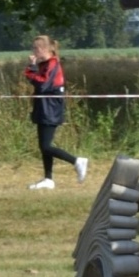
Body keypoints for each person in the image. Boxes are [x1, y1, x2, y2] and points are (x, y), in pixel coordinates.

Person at [23, 35, 86, 190]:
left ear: (43, 49)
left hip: (50, 109)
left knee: (46, 146)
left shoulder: (52, 64)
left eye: (35, 48)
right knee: (43, 146)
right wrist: (34, 69)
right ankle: (48, 179)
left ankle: (77, 161)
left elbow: (43, 85)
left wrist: (31, 69)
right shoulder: (44, 64)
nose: (33, 51)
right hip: (42, 107)